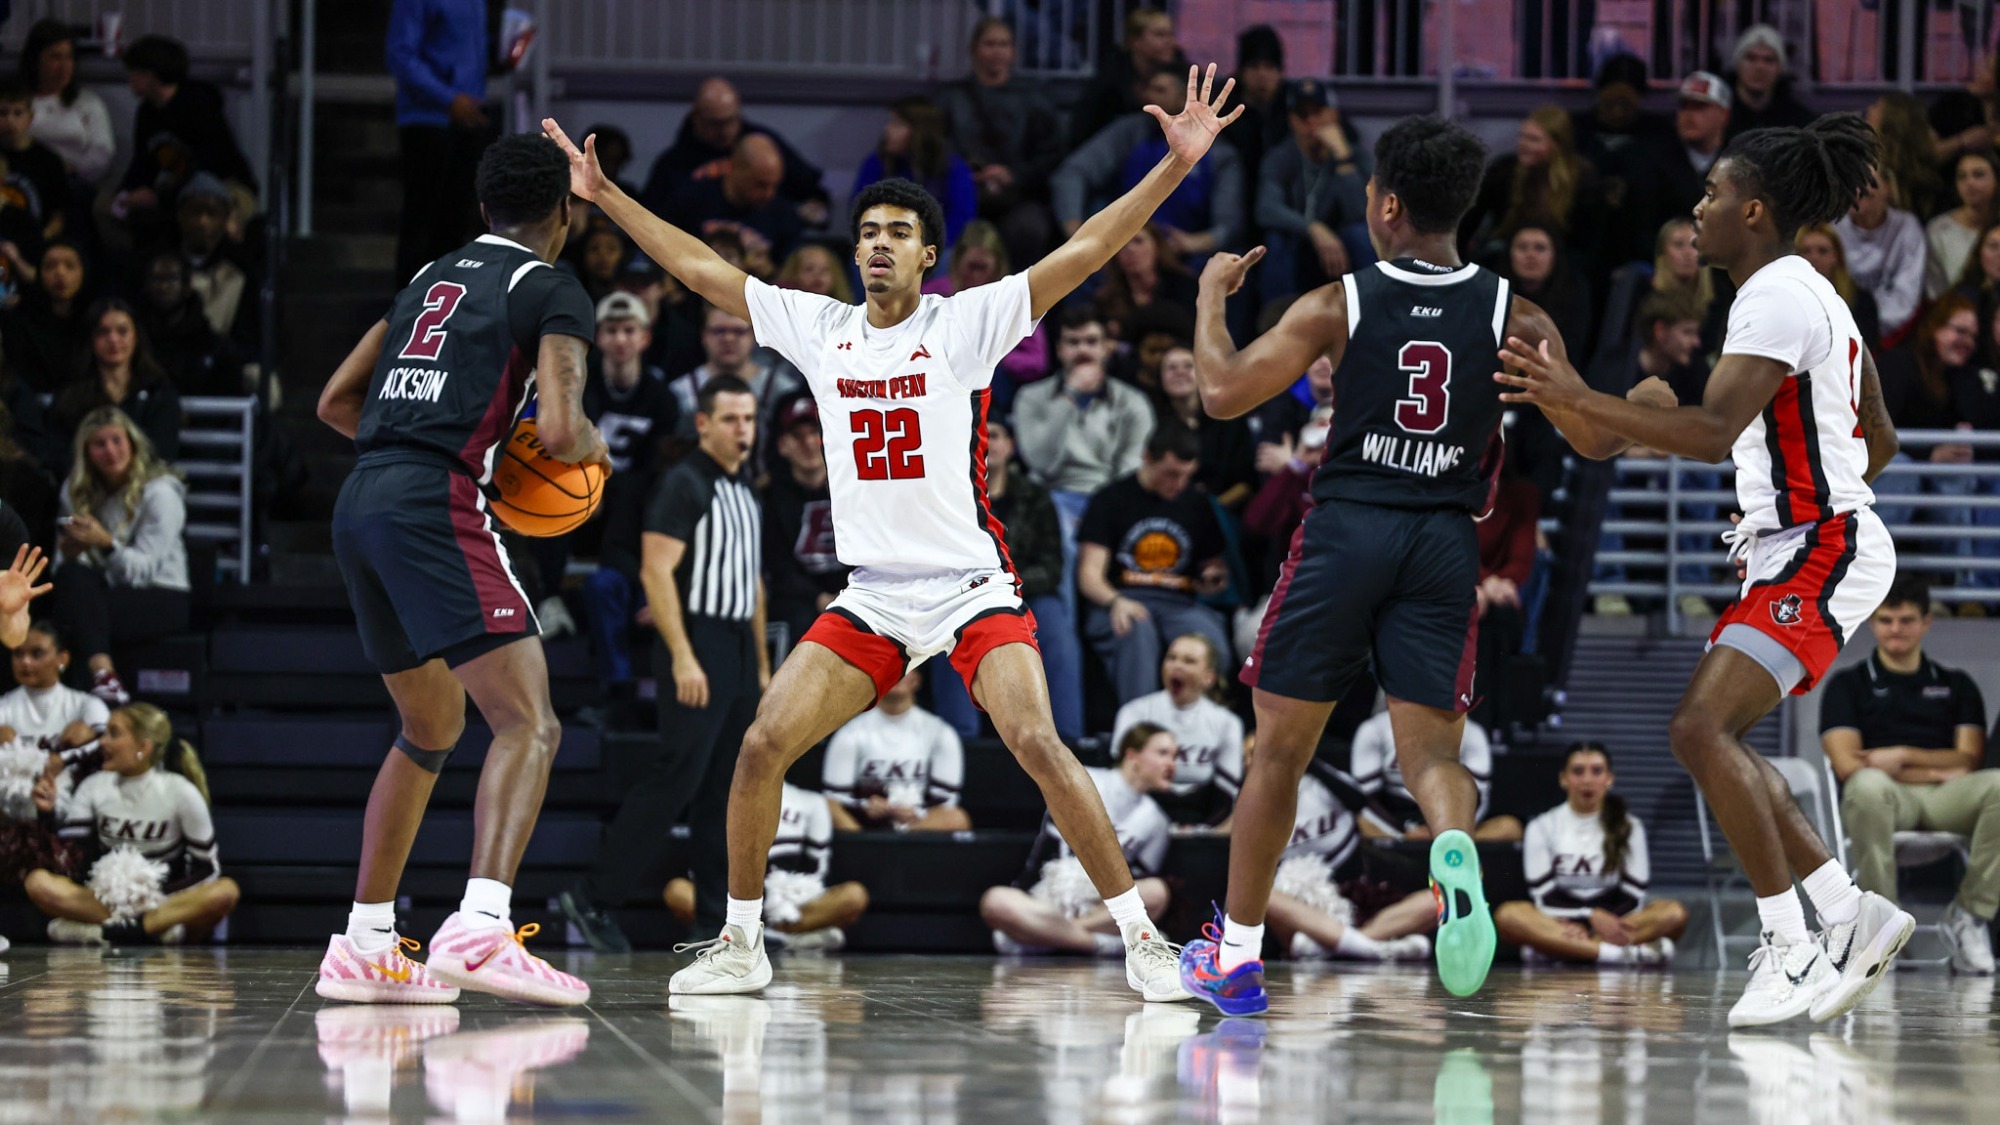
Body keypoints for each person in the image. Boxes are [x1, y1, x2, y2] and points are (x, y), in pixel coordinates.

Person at [543, 61, 1245, 1002]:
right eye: (867, 231)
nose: (877, 245)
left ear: (928, 256)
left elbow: (1085, 247)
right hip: (873, 591)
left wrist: (1173, 168)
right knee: (759, 745)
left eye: (898, 234)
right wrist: (609, 199)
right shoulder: (820, 325)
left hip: (968, 582)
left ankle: (1142, 941)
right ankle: (743, 942)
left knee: (1036, 739)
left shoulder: (966, 323)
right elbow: (701, 268)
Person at [1176, 113, 1673, 1014]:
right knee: (1434, 751)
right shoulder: (1514, 313)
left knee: (1278, 753)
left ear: (1389, 203)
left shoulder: (1339, 301)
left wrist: (1211, 295)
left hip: (1346, 529)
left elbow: (1218, 391)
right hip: (1447, 538)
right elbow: (1594, 438)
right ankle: (1452, 846)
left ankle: (1238, 956)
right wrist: (1641, 397)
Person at [1495, 114, 1916, 1027]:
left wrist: (1576, 396)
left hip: (1823, 544)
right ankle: (1849, 912)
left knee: (1696, 728)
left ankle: (1792, 945)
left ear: (1754, 210)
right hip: (1811, 539)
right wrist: (1787, 501)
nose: (1698, 208)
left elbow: (1711, 430)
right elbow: (1876, 436)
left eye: (1714, 194)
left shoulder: (1772, 295)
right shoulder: (1821, 295)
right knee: (1722, 742)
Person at [313, 133, 609, 1006]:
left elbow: (335, 401)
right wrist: (594, 458)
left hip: (362, 498)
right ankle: (481, 927)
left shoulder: (426, 279)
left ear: (485, 210)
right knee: (530, 721)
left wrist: (404, 448)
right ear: (565, 210)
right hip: (434, 503)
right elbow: (558, 430)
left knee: (432, 723)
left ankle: (365, 940)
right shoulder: (551, 287)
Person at [560, 376, 767, 953]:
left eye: (748, 419)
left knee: (724, 789)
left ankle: (712, 921)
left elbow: (751, 582)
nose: (742, 430)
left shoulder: (744, 487)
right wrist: (682, 656)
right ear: (702, 423)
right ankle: (593, 894)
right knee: (676, 774)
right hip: (697, 640)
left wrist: (763, 665)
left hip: (736, 649)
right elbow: (655, 572)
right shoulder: (685, 482)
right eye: (730, 419)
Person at [1820, 577, 1995, 975]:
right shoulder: (1847, 685)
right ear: (1871, 622)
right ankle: (1884, 928)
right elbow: (1848, 766)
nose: (1895, 629)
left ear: (1926, 622)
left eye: (1906, 620)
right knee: (1865, 785)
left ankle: (1969, 915)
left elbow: (1968, 760)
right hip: (1883, 798)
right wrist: (1937, 767)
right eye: (1886, 620)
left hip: (1943, 799)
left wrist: (1900, 757)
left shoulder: (1956, 685)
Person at [28, 703, 239, 946]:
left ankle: (104, 933)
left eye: (113, 734)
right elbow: (68, 861)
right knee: (38, 882)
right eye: (104, 733)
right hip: (106, 902)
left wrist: (149, 900)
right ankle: (152, 933)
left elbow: (209, 869)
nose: (102, 742)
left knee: (226, 891)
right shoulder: (94, 786)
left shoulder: (181, 792)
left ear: (143, 746)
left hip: (162, 903)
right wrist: (46, 814)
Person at [926, 417, 1082, 743]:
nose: (986, 441)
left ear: (1011, 446)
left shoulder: (1036, 497)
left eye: (993, 435)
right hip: (965, 595)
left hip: (1026, 593)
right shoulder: (947, 494)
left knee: (1056, 631)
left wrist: (1009, 587)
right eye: (977, 435)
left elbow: (1052, 566)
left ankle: (1069, 741)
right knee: (948, 629)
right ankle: (961, 744)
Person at [978, 722, 1176, 956]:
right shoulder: (1086, 778)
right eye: (1163, 753)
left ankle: (1045, 938)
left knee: (1157, 892)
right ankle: (1101, 945)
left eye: (1174, 756)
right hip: (1048, 896)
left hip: (1098, 906)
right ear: (1132, 755)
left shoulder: (1157, 821)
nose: (1171, 764)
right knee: (995, 901)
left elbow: (1136, 883)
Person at [1011, 309, 1154, 623]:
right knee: (1060, 541)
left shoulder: (1132, 402)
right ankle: (1065, 637)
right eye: (1073, 342)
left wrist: (1098, 514)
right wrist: (1070, 397)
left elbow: (1131, 470)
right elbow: (1040, 461)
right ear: (1060, 350)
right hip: (1049, 497)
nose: (1083, 351)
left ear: (1107, 347)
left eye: (1091, 341)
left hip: (1107, 499)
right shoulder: (1031, 398)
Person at [1493, 743, 1688, 966]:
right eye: (1578, 771)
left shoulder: (1630, 826)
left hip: (1618, 921)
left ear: (1609, 779)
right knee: (1508, 915)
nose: (1587, 780)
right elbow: (1543, 896)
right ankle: (1617, 954)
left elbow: (1635, 895)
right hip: (1560, 922)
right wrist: (1587, 915)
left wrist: (1604, 924)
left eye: (1596, 771)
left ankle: (1561, 951)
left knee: (1674, 913)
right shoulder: (1541, 826)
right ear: (1563, 779)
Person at [1078, 424, 1232, 705]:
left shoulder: (1196, 503)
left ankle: (1200, 729)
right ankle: (1140, 730)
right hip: (1123, 597)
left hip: (1179, 602)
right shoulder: (1111, 499)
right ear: (1147, 458)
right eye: (1171, 474)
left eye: (1187, 476)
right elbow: (1089, 575)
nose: (1179, 484)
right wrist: (1116, 602)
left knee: (1210, 642)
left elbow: (1213, 563)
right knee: (1137, 630)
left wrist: (1213, 576)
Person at [47, 407, 189, 706]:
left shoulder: (161, 493)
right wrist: (70, 554)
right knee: (70, 580)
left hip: (162, 595)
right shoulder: (76, 491)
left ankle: (92, 694)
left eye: (116, 440)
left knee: (73, 618)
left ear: (132, 443)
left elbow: (144, 570)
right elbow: (65, 570)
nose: (110, 451)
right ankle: (103, 678)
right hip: (104, 591)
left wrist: (107, 544)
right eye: (99, 444)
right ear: (87, 453)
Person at [1258, 740, 1436, 964]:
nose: (1251, 759)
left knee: (1440, 897)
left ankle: (1349, 946)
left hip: (1354, 896)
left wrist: (1304, 761)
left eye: (1256, 751)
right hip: (1303, 909)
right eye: (1247, 754)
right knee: (1263, 894)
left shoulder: (1322, 783)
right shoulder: (1252, 800)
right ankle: (1375, 949)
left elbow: (1359, 800)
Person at [1055, 69, 1244, 261]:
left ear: (1184, 99)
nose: (1149, 96)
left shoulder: (1220, 154)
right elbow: (1072, 173)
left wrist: (1191, 242)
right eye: (1149, 89)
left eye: (1160, 90)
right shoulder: (1129, 131)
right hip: (1122, 246)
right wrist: (1076, 236)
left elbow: (1228, 224)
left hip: (1184, 253)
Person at [664, 782, 867, 952]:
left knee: (854, 896)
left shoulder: (811, 801)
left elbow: (815, 872)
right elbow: (705, 861)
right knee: (677, 891)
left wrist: (782, 898)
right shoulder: (719, 798)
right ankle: (788, 941)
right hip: (730, 900)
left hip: (789, 905)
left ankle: (765, 939)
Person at [936, 17, 1064, 269]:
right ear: (973, 50)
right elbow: (936, 147)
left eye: (1003, 44)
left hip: (1019, 196)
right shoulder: (951, 98)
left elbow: (1052, 152)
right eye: (989, 44)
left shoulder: (1033, 97)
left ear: (1013, 52)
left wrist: (1014, 174)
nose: (997, 51)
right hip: (963, 192)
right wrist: (965, 172)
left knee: (1030, 230)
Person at [386, 0, 492, 287]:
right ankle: (407, 311)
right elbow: (400, 53)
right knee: (422, 222)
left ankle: (444, 308)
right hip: (427, 118)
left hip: (468, 118)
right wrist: (448, 98)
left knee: (455, 223)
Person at [111, 35, 256, 238]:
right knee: (107, 206)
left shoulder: (199, 103)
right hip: (173, 188)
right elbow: (142, 161)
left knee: (201, 198)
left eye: (134, 72)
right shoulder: (147, 112)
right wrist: (126, 192)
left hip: (224, 184)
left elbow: (211, 164)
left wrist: (158, 196)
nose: (130, 79)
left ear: (151, 74)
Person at [638, 76, 830, 228]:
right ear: (696, 117)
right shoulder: (674, 162)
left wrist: (812, 210)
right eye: (715, 124)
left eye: (730, 121)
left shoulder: (762, 143)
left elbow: (810, 190)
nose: (725, 131)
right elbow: (651, 218)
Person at [1255, 78, 1370, 300]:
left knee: (1360, 234)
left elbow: (1361, 212)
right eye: (1302, 115)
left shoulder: (1356, 156)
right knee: (1276, 241)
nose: (1311, 122)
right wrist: (1313, 229)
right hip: (1301, 243)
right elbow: (1266, 208)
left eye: (1318, 113)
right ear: (1291, 120)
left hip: (1343, 245)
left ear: (1334, 115)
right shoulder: (1281, 156)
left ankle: (1371, 318)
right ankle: (1277, 324)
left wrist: (1342, 158)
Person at [1110, 633, 1243, 824]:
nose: (1177, 665)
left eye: (1189, 661)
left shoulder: (1227, 723)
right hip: (1139, 818)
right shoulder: (1134, 713)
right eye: (1171, 658)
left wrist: (1202, 831)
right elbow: (1122, 781)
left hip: (1202, 819)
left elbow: (1227, 794)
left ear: (1208, 677)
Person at [821, 668, 969, 832]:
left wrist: (918, 811)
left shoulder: (940, 732)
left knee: (956, 817)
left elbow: (947, 800)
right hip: (865, 825)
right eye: (889, 669)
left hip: (919, 827)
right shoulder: (851, 732)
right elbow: (834, 797)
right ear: (875, 679)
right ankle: (867, 852)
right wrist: (865, 805)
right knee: (826, 807)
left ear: (916, 680)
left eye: (904, 669)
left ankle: (895, 853)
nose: (896, 675)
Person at [1349, 709, 1519, 842]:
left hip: (1452, 817)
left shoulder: (1470, 731)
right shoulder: (1374, 729)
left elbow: (1479, 797)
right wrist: (1404, 833)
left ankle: (1454, 847)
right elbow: (1367, 799)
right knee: (1360, 824)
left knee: (1509, 827)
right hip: (1396, 819)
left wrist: (1448, 832)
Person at [49, 300, 182, 461]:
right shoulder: (71, 394)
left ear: (136, 337)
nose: (113, 339)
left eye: (122, 331)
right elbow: (59, 452)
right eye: (103, 332)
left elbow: (163, 451)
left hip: (146, 480)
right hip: (87, 480)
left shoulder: (158, 392)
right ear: (91, 339)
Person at [853, 97, 976, 253]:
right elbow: (859, 209)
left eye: (897, 125)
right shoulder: (878, 163)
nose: (887, 130)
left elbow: (961, 218)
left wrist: (926, 248)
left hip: (935, 248)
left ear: (920, 132)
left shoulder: (952, 167)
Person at [670, 135, 807, 267]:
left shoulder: (783, 213)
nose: (769, 194)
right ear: (736, 168)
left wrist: (769, 271)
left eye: (775, 185)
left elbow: (792, 272)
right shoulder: (694, 198)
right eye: (760, 184)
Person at [18, 20, 115, 189]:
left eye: (69, 57)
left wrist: (72, 169)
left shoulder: (87, 102)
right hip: (24, 182)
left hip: (74, 182)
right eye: (55, 57)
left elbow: (102, 153)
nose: (64, 67)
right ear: (36, 59)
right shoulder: (16, 102)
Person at [1835, 170, 1926, 346]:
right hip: (1838, 330)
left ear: (1888, 188)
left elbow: (1907, 294)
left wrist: (1869, 326)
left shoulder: (1907, 227)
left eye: (1867, 181)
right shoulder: (1833, 227)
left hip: (1892, 335)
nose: (1858, 188)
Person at [0, 621, 105, 763]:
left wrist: (66, 757)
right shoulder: (4, 706)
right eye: (18, 654)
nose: (25, 662)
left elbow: (111, 746)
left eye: (36, 654)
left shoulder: (86, 704)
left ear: (62, 659)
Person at [3, 239, 91, 395]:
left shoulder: (95, 321)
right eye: (50, 266)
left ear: (84, 272)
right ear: (39, 272)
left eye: (70, 266)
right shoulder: (20, 321)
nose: (60, 273)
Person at [0, 81, 72, 242]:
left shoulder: (48, 161)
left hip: (34, 244)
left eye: (18, 113)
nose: (10, 120)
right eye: (3, 113)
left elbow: (60, 214)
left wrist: (40, 241)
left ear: (30, 117)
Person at [1928, 148, 2000, 300]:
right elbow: (1935, 290)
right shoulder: (1938, 229)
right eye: (1962, 176)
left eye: (1978, 174)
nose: (1969, 183)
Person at [1797, 223, 1882, 347]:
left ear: (1835, 256)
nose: (1814, 257)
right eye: (1806, 251)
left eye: (1822, 251)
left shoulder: (1861, 301)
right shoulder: (1783, 299)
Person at [1724, 26, 1814, 139]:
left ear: (1780, 69)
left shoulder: (1799, 123)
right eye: (1751, 58)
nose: (1760, 67)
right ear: (1737, 64)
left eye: (1769, 60)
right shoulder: (1717, 117)